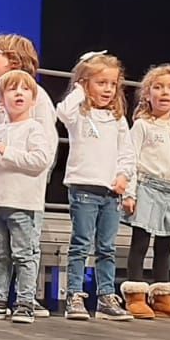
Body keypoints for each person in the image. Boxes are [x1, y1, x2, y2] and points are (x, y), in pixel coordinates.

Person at [0, 34, 56, 317]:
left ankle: (26, 299)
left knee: (24, 247)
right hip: (0, 192)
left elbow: (46, 148)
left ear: (15, 57)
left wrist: (34, 182)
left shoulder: (38, 98)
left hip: (25, 191)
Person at [56, 52, 136, 321]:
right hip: (84, 189)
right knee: (80, 244)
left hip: (111, 191)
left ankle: (105, 296)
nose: (108, 89)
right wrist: (79, 87)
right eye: (101, 82)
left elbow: (127, 153)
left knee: (107, 248)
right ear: (86, 83)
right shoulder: (79, 113)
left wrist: (124, 176)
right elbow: (62, 112)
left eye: (112, 84)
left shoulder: (117, 118)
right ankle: (75, 296)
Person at [120, 64, 170, 320]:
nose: (164, 93)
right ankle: (135, 295)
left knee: (165, 246)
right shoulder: (143, 125)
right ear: (147, 94)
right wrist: (129, 193)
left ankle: (163, 297)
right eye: (158, 87)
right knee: (140, 243)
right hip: (148, 188)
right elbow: (131, 159)